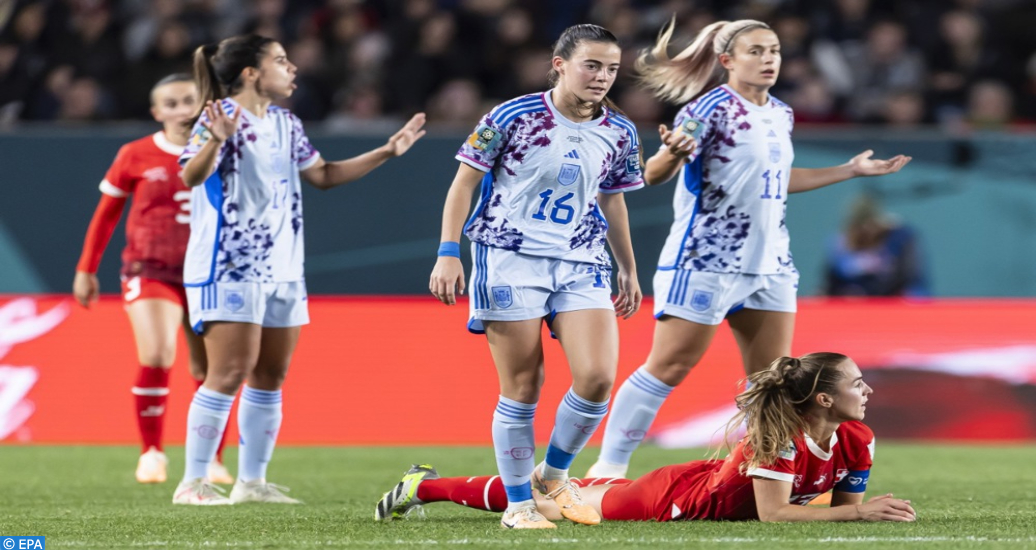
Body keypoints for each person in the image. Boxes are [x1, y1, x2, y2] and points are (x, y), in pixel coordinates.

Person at [584, 19, 913, 479]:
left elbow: (776, 183)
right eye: (756, 51)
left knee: (774, 381)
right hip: (706, 259)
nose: (768, 60)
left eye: (774, 51)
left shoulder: (781, 112)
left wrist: (849, 170)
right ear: (727, 61)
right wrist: (673, 153)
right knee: (670, 365)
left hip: (771, 263)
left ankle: (764, 476)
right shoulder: (708, 110)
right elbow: (654, 173)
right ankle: (609, 466)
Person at [173, 34, 426, 505]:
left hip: (284, 266)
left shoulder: (287, 123)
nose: (292, 69)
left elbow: (324, 175)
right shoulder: (219, 117)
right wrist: (214, 140)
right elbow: (190, 175)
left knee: (271, 373)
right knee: (228, 372)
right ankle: (193, 481)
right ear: (251, 73)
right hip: (228, 265)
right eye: (281, 61)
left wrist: (387, 151)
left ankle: (251, 482)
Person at [427, 24, 644, 529]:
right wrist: (447, 251)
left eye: (611, 68)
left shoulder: (620, 131)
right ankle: (520, 505)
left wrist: (628, 267)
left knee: (596, 379)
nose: (602, 77)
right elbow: (464, 183)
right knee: (524, 386)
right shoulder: (513, 116)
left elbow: (613, 200)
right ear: (560, 63)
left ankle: (554, 474)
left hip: (580, 259)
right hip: (508, 256)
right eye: (591, 65)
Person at [375, 353, 917, 524]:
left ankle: (440, 486)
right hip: (675, 501)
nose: (867, 389)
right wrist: (858, 514)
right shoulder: (776, 438)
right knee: (557, 507)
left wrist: (864, 510)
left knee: (563, 493)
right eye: (855, 383)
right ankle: (425, 487)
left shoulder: (858, 438)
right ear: (822, 400)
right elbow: (776, 516)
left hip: (705, 485)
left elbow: (845, 506)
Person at [73, 74, 233, 485]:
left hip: (209, 271)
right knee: (159, 355)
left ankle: (211, 460)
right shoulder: (137, 153)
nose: (182, 110)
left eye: (190, 101)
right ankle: (151, 453)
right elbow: (106, 213)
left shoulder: (224, 149)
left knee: (212, 367)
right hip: (151, 269)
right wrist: (86, 269)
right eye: (172, 102)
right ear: (156, 112)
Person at [822, 194, 929, 297]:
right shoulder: (842, 243)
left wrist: (872, 295)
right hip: (856, 305)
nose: (866, 229)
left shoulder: (899, 237)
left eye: (869, 223)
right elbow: (833, 280)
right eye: (860, 225)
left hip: (899, 302)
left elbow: (906, 276)